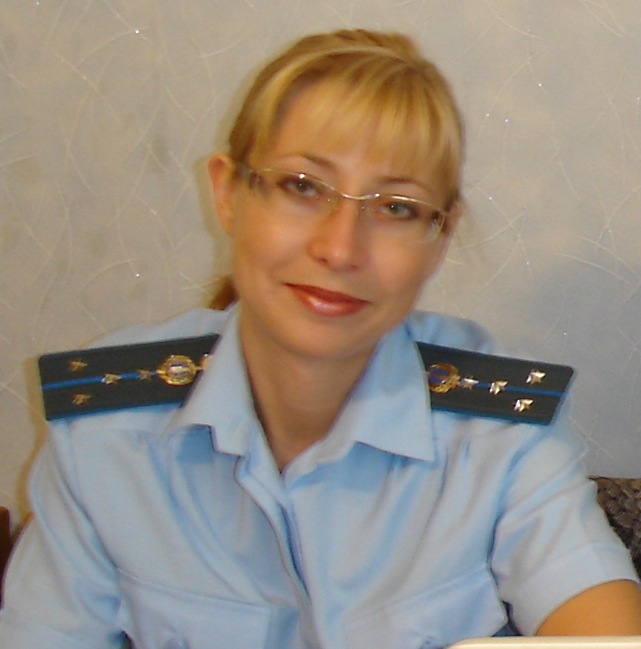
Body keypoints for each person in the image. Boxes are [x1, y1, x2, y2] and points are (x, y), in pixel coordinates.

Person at [1, 28, 641, 649]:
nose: (339, 248)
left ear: (440, 237)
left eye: (395, 207)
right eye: (302, 187)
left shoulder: (500, 430)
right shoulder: (106, 433)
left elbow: (599, 621)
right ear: (227, 193)